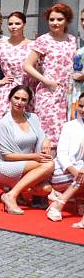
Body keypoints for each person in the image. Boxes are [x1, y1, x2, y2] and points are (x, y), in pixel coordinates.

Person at [0, 86, 54, 215]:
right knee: (49, 164)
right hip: (5, 166)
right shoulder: (4, 123)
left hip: (29, 164)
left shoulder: (33, 118)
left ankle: (19, 191)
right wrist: (34, 156)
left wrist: (46, 140)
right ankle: (12, 195)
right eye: (16, 98)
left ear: (28, 102)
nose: (19, 102)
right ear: (10, 98)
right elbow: (7, 156)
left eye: (23, 99)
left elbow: (41, 137)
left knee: (46, 189)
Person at [23, 3, 78, 144]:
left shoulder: (72, 40)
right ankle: (46, 164)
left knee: (66, 133)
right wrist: (47, 82)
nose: (55, 23)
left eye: (59, 19)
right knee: (49, 134)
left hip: (69, 93)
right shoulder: (43, 40)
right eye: (51, 19)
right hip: (49, 92)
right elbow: (27, 65)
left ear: (66, 20)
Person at [47, 93, 84, 224]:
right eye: (81, 106)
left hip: (80, 174)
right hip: (63, 173)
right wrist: (74, 170)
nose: (83, 110)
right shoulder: (69, 126)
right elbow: (61, 154)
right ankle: (59, 204)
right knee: (81, 173)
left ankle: (79, 199)